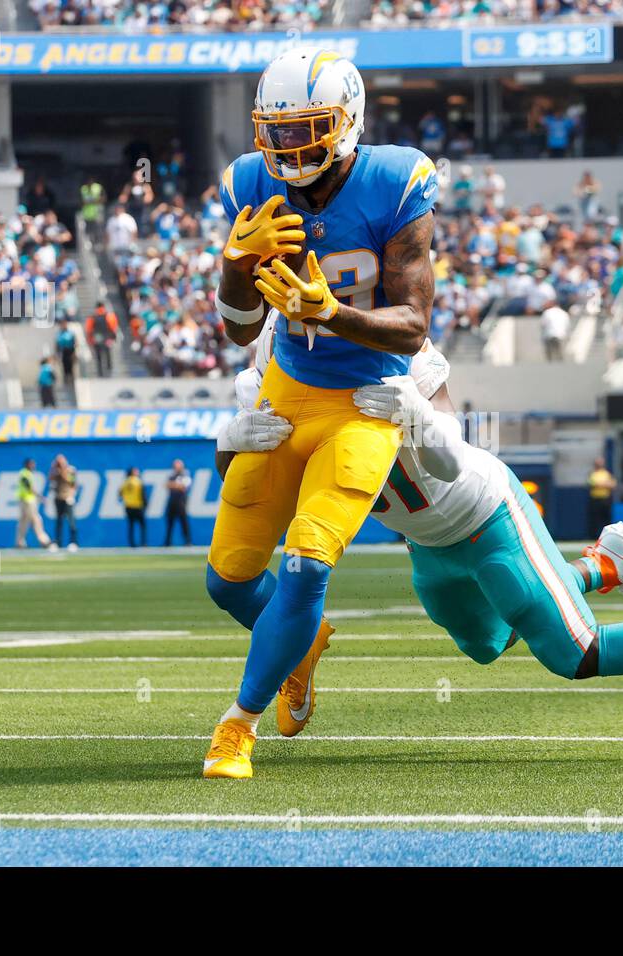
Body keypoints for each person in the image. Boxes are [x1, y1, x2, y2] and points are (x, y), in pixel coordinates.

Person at [220, 323, 623, 740]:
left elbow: (453, 461)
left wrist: (420, 421)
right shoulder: (268, 367)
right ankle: (604, 567)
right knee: (485, 645)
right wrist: (229, 443)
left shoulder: (394, 342)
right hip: (424, 543)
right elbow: (252, 485)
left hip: (484, 514)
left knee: (576, 653)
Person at [203, 48, 438, 780]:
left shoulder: (394, 180)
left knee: (306, 561)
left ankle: (235, 728)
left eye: (305, 128)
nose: (285, 147)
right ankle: (300, 644)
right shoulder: (248, 181)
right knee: (228, 579)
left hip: (366, 399)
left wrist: (330, 312)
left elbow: (413, 327)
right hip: (286, 391)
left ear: (346, 122)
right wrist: (233, 267)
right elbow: (241, 331)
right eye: (275, 130)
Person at [15, 458, 55, 550]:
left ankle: (20, 543)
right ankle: (44, 541)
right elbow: (29, 487)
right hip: (27, 501)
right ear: (27, 464)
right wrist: (40, 497)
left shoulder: (25, 473)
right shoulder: (25, 474)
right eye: (32, 464)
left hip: (24, 500)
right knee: (36, 520)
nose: (33, 466)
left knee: (23, 522)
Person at [49, 454, 79, 551]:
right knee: (59, 521)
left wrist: (62, 469)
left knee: (71, 521)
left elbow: (71, 481)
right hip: (58, 498)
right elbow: (50, 478)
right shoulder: (56, 471)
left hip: (68, 498)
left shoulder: (71, 470)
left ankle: (74, 542)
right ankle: (58, 543)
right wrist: (53, 468)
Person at [86, 302, 119, 378]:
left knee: (98, 355)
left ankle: (100, 371)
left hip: (97, 337)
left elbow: (89, 329)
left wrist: (90, 339)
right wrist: (114, 337)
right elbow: (113, 326)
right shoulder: (109, 315)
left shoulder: (92, 317)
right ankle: (109, 368)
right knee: (108, 352)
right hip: (107, 337)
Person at [587, 457, 616, 538]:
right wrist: (604, 484)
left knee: (606, 519)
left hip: (605, 499)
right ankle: (593, 537)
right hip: (595, 499)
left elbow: (612, 484)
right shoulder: (592, 473)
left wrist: (601, 484)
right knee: (594, 519)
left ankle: (607, 536)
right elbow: (592, 484)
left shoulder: (606, 473)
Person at [164, 459, 191, 546]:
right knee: (169, 523)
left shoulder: (185, 476)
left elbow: (183, 486)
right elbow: (166, 485)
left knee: (184, 523)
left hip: (181, 503)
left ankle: (188, 541)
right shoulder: (172, 476)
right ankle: (167, 542)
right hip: (172, 502)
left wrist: (173, 485)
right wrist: (176, 485)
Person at [120, 467, 147, 547]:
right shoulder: (138, 481)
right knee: (142, 525)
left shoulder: (125, 482)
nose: (138, 472)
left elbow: (120, 493)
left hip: (128, 506)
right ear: (133, 472)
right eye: (136, 471)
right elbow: (143, 494)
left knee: (131, 526)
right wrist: (145, 504)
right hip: (138, 506)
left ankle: (132, 544)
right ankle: (143, 543)